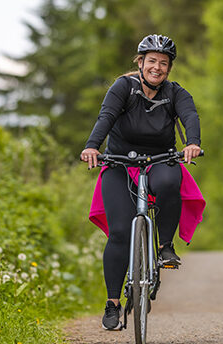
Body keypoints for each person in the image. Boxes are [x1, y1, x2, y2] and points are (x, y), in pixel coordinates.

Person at [81, 34, 204, 331]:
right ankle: (112, 303)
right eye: (152, 61)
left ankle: (165, 246)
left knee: (169, 183)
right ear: (140, 63)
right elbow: (106, 116)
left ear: (169, 68)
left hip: (161, 158)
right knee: (120, 233)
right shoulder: (123, 87)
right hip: (119, 163)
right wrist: (92, 146)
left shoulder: (175, 93)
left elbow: (190, 116)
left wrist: (193, 143)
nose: (157, 67)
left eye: (163, 63)